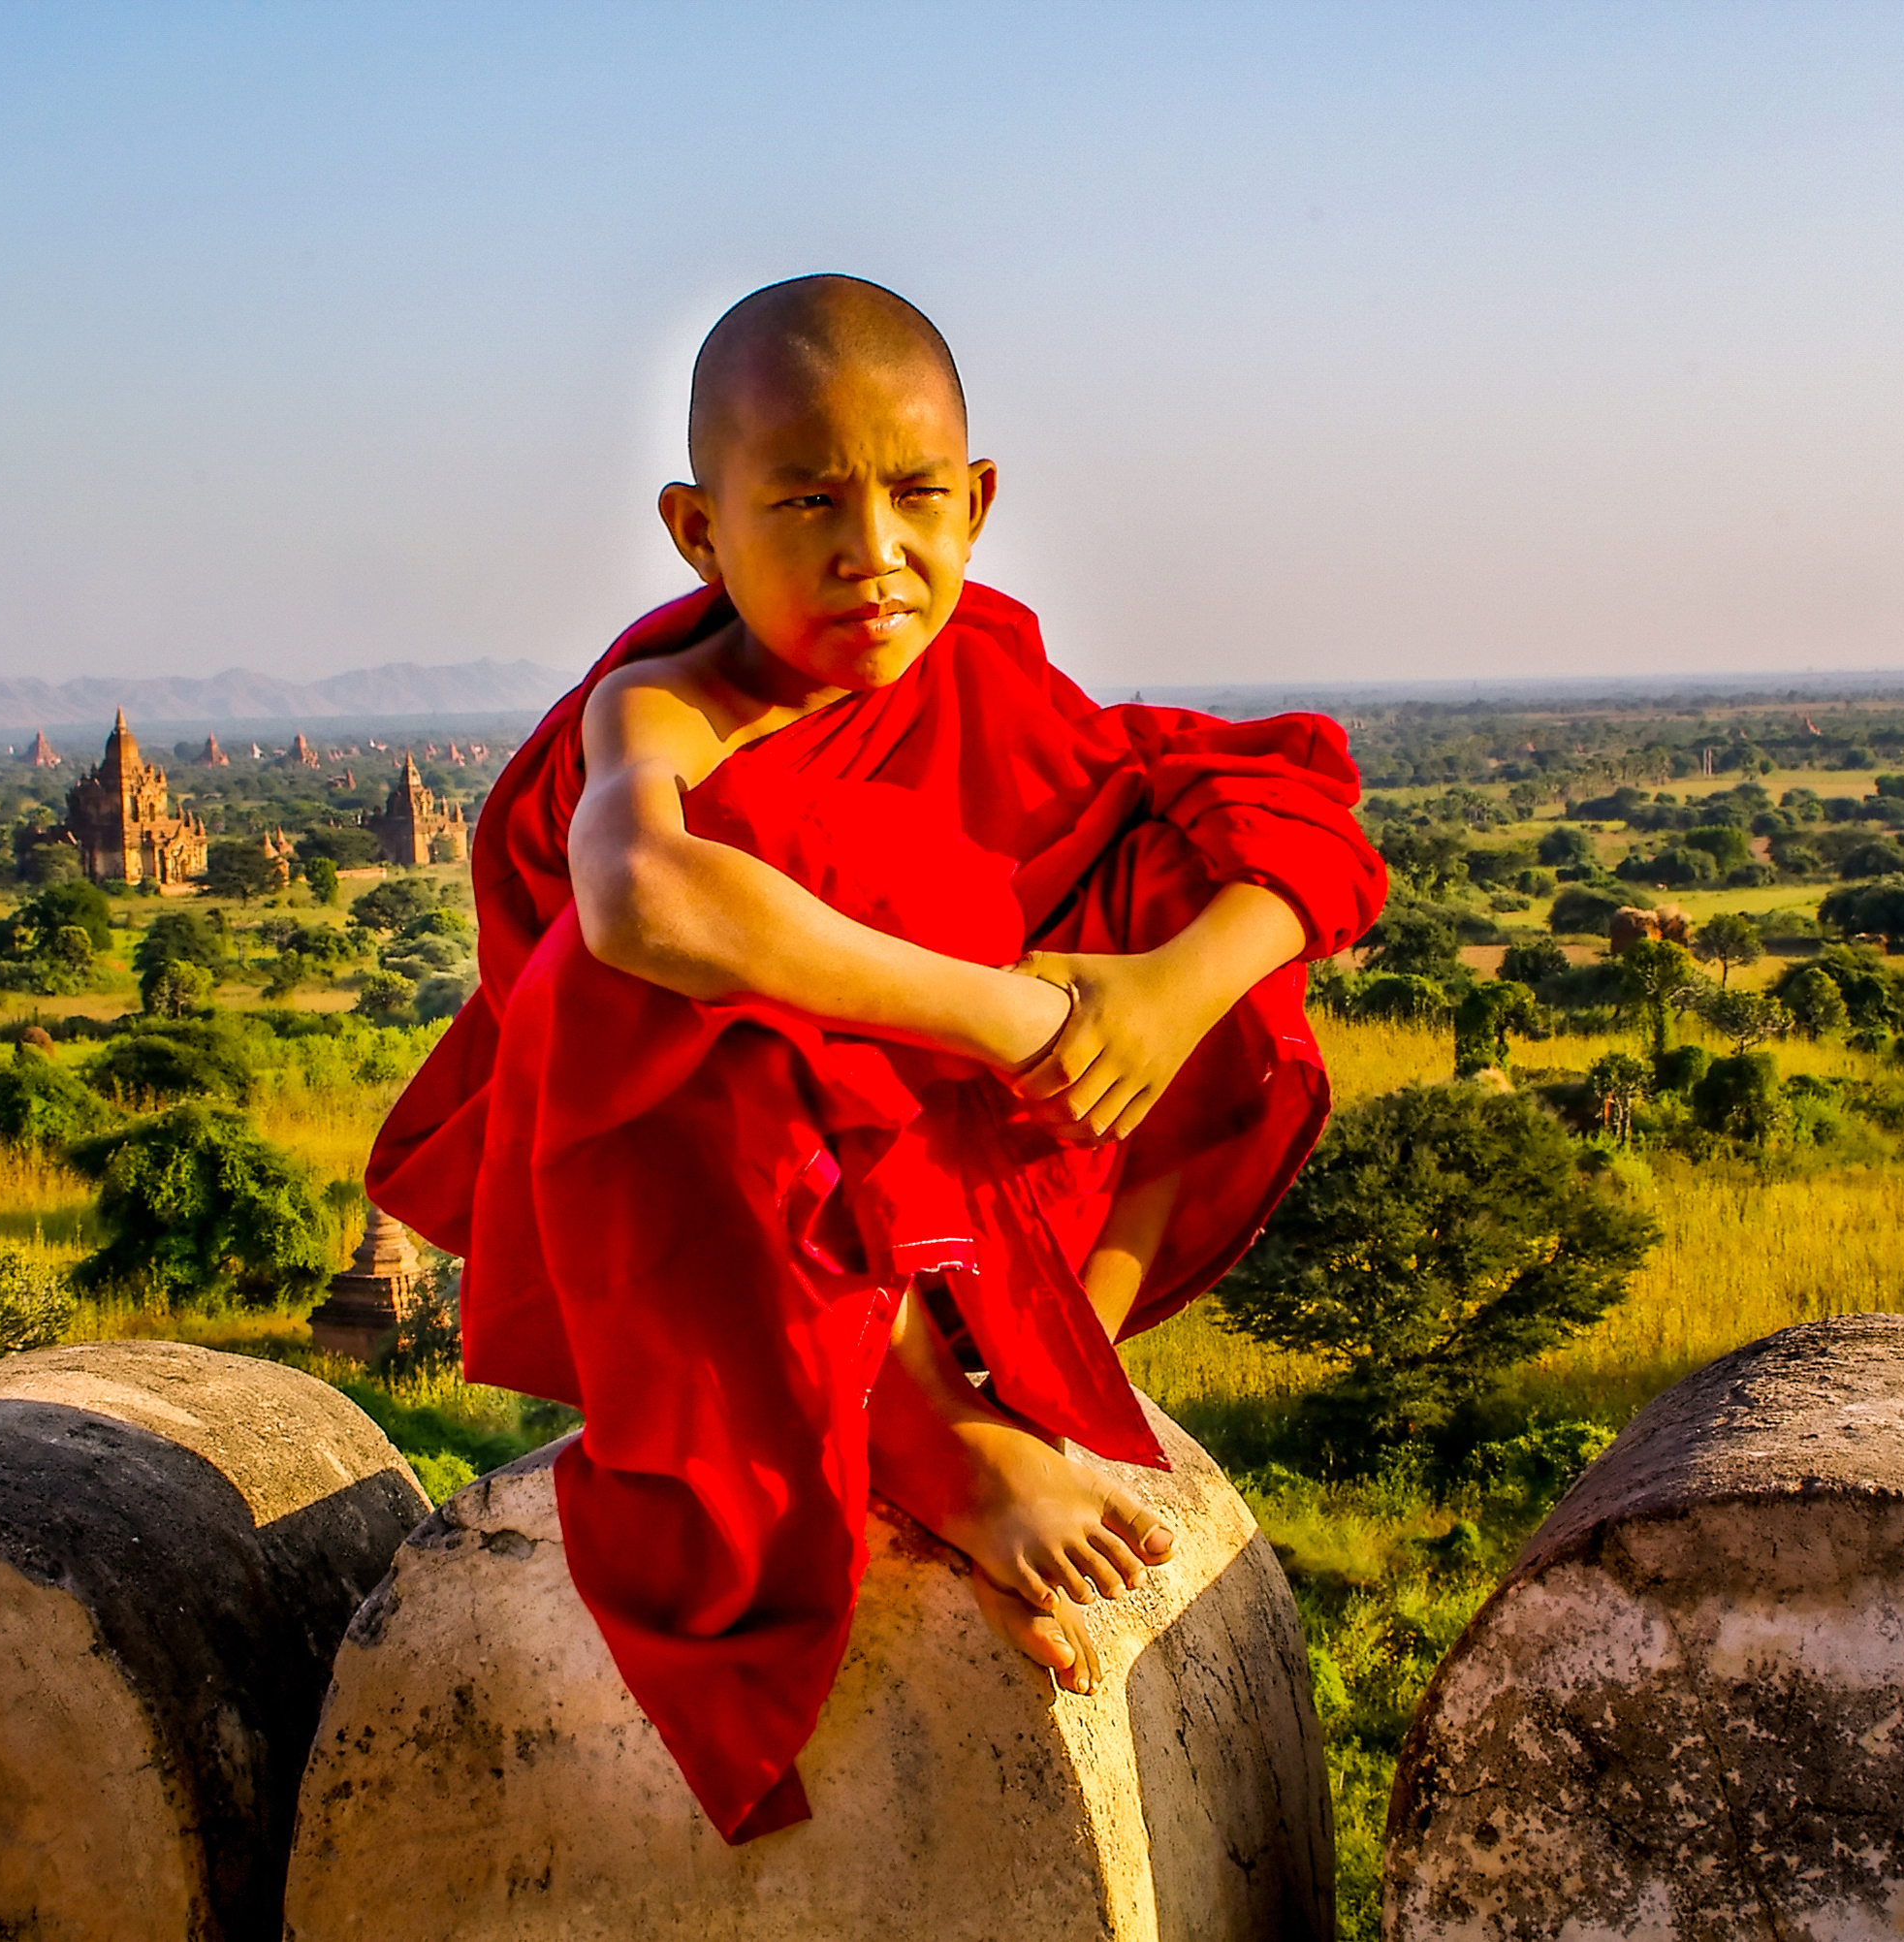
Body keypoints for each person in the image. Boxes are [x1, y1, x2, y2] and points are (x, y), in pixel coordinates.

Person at [367, 274, 1386, 1842]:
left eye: (915, 496)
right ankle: (931, 1437)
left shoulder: (990, 675)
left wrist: (1164, 995)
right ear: (699, 533)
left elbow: (1296, 820)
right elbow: (637, 899)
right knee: (646, 962)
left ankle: (1057, 1374)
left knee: (1196, 871)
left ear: (978, 504)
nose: (872, 552)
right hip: (744, 1184)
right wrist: (1001, 1014)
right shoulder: (670, 706)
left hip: (980, 1171)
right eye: (804, 502)